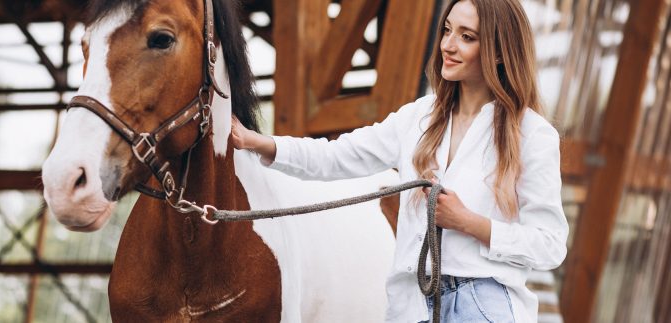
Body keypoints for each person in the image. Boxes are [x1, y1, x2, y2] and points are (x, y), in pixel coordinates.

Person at [231, 0, 569, 321]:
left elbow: (550, 245)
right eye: (447, 30)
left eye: (467, 37)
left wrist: (468, 222)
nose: (448, 45)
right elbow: (336, 156)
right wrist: (260, 142)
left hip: (483, 301)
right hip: (412, 305)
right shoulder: (418, 118)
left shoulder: (532, 134)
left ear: (498, 51)